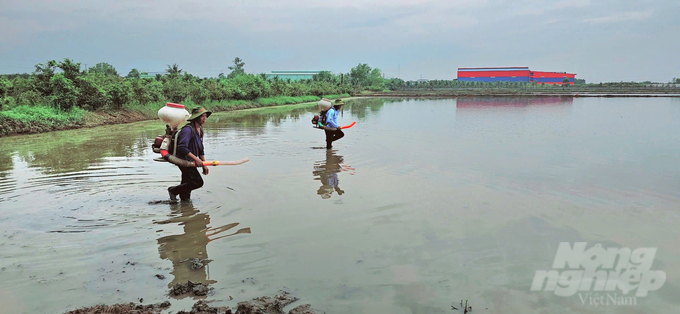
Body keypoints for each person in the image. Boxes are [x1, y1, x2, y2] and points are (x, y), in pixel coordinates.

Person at [168, 106, 211, 202]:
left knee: (187, 182)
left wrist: (204, 164)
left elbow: (201, 149)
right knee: (197, 182)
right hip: (183, 160)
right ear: (196, 117)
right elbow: (182, 147)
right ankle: (173, 191)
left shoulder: (200, 130)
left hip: (191, 160)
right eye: (202, 116)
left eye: (205, 116)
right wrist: (196, 159)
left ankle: (185, 206)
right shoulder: (187, 130)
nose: (205, 118)